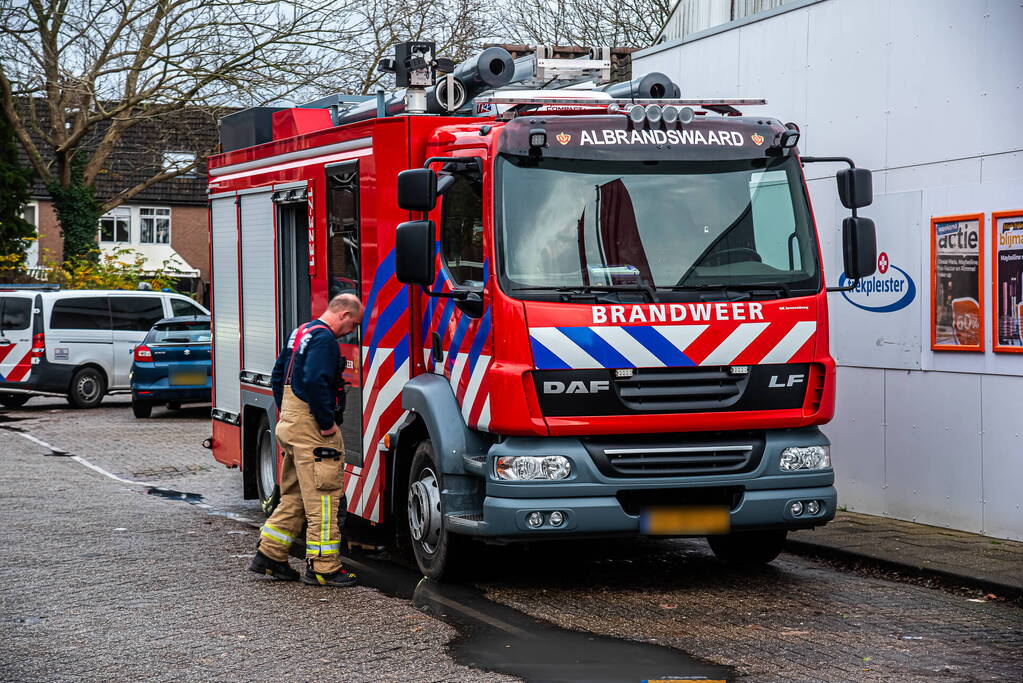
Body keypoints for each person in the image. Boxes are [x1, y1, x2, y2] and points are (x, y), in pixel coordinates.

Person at [249, 293, 364, 587]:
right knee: (324, 498)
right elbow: (314, 380)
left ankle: (270, 554)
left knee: (296, 495)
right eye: (353, 324)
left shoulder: (301, 332)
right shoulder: (325, 340)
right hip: (311, 429)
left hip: (290, 421)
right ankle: (324, 567)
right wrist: (325, 422)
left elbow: (278, 375)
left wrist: (287, 411)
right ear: (344, 315)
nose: (350, 331)